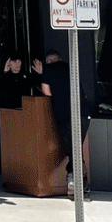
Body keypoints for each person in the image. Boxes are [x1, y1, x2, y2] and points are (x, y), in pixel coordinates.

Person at [34, 50, 87, 194]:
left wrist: (43, 75)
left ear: (47, 61)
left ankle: (74, 179)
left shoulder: (48, 70)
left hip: (64, 114)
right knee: (77, 146)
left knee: (71, 148)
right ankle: (81, 178)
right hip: (83, 112)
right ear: (60, 58)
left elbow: (47, 93)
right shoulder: (70, 67)